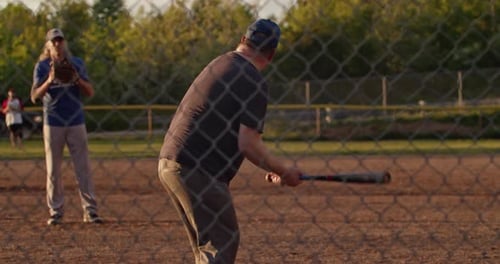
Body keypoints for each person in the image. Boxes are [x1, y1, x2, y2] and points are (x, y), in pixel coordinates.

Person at [158, 19, 303, 264]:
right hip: (197, 169)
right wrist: (284, 170)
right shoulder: (252, 79)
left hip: (171, 162)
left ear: (243, 40)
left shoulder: (220, 63)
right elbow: (248, 144)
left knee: (209, 248)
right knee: (222, 241)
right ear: (272, 53)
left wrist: (274, 169)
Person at [31, 28, 103, 225]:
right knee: (53, 169)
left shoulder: (77, 64)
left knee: (83, 168)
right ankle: (56, 212)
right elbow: (34, 96)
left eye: (60, 40)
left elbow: (90, 92)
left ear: (64, 43)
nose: (57, 44)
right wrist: (50, 80)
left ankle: (90, 211)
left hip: (76, 121)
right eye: (53, 41)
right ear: (48, 45)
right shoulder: (42, 66)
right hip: (52, 122)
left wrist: (76, 79)